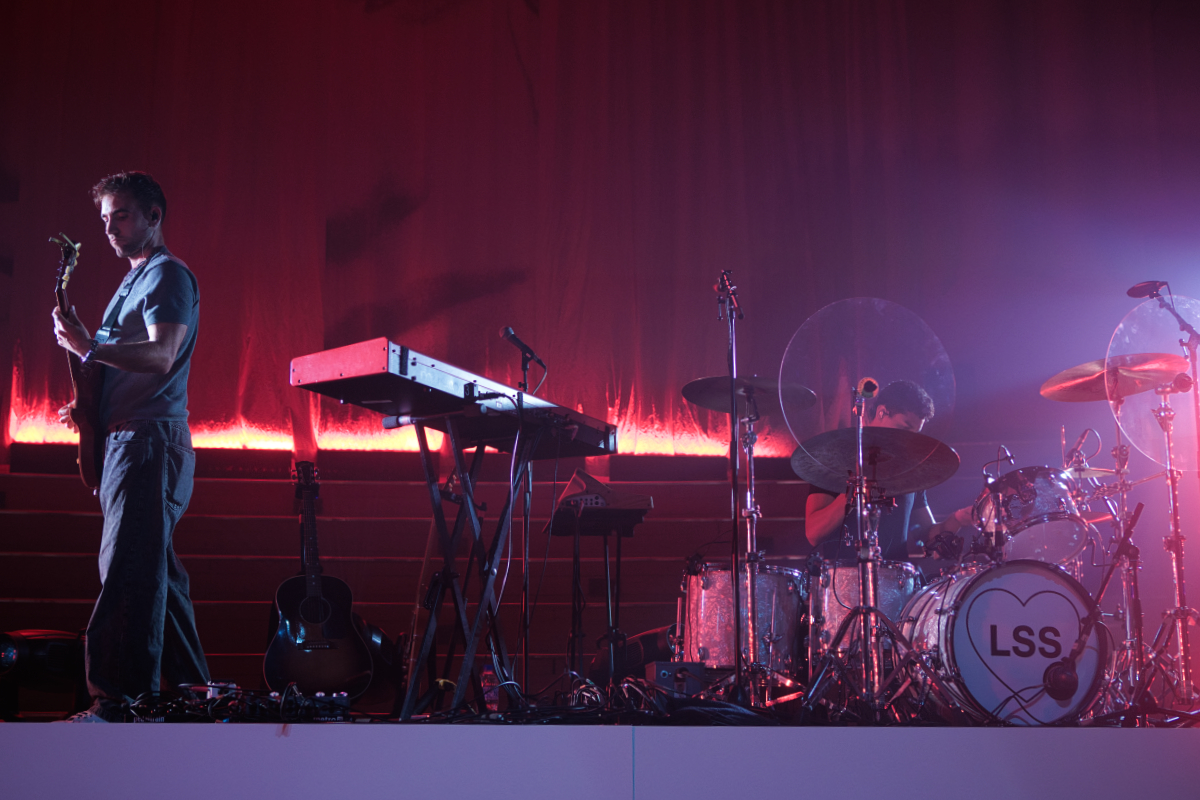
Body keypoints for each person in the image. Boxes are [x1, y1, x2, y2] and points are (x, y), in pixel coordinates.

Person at [51, 171, 209, 721]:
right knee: (155, 576)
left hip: (148, 443)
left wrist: (88, 347)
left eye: (120, 215)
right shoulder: (135, 279)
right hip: (132, 440)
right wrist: (90, 405)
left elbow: (162, 355)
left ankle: (118, 706)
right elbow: (123, 365)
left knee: (128, 576)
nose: (109, 229)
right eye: (104, 219)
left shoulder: (166, 275)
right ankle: (198, 700)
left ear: (153, 217)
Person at [804, 379, 972, 564]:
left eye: (913, 434)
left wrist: (957, 519)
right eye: (903, 428)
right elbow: (814, 533)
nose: (907, 439)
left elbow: (927, 535)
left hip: (895, 577)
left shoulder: (911, 467)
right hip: (844, 576)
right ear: (882, 412)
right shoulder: (835, 457)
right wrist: (854, 489)